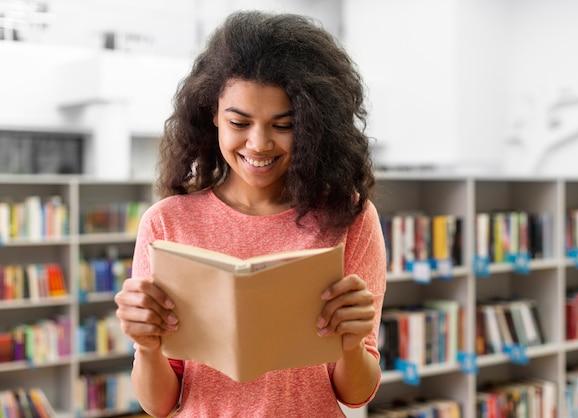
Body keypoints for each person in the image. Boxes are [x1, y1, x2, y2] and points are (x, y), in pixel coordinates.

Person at [114, 10, 387, 418]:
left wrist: (350, 344)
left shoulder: (349, 217)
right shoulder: (166, 223)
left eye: (284, 125)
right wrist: (148, 347)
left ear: (314, 125)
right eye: (239, 121)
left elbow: (356, 395)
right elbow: (159, 405)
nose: (258, 144)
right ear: (212, 115)